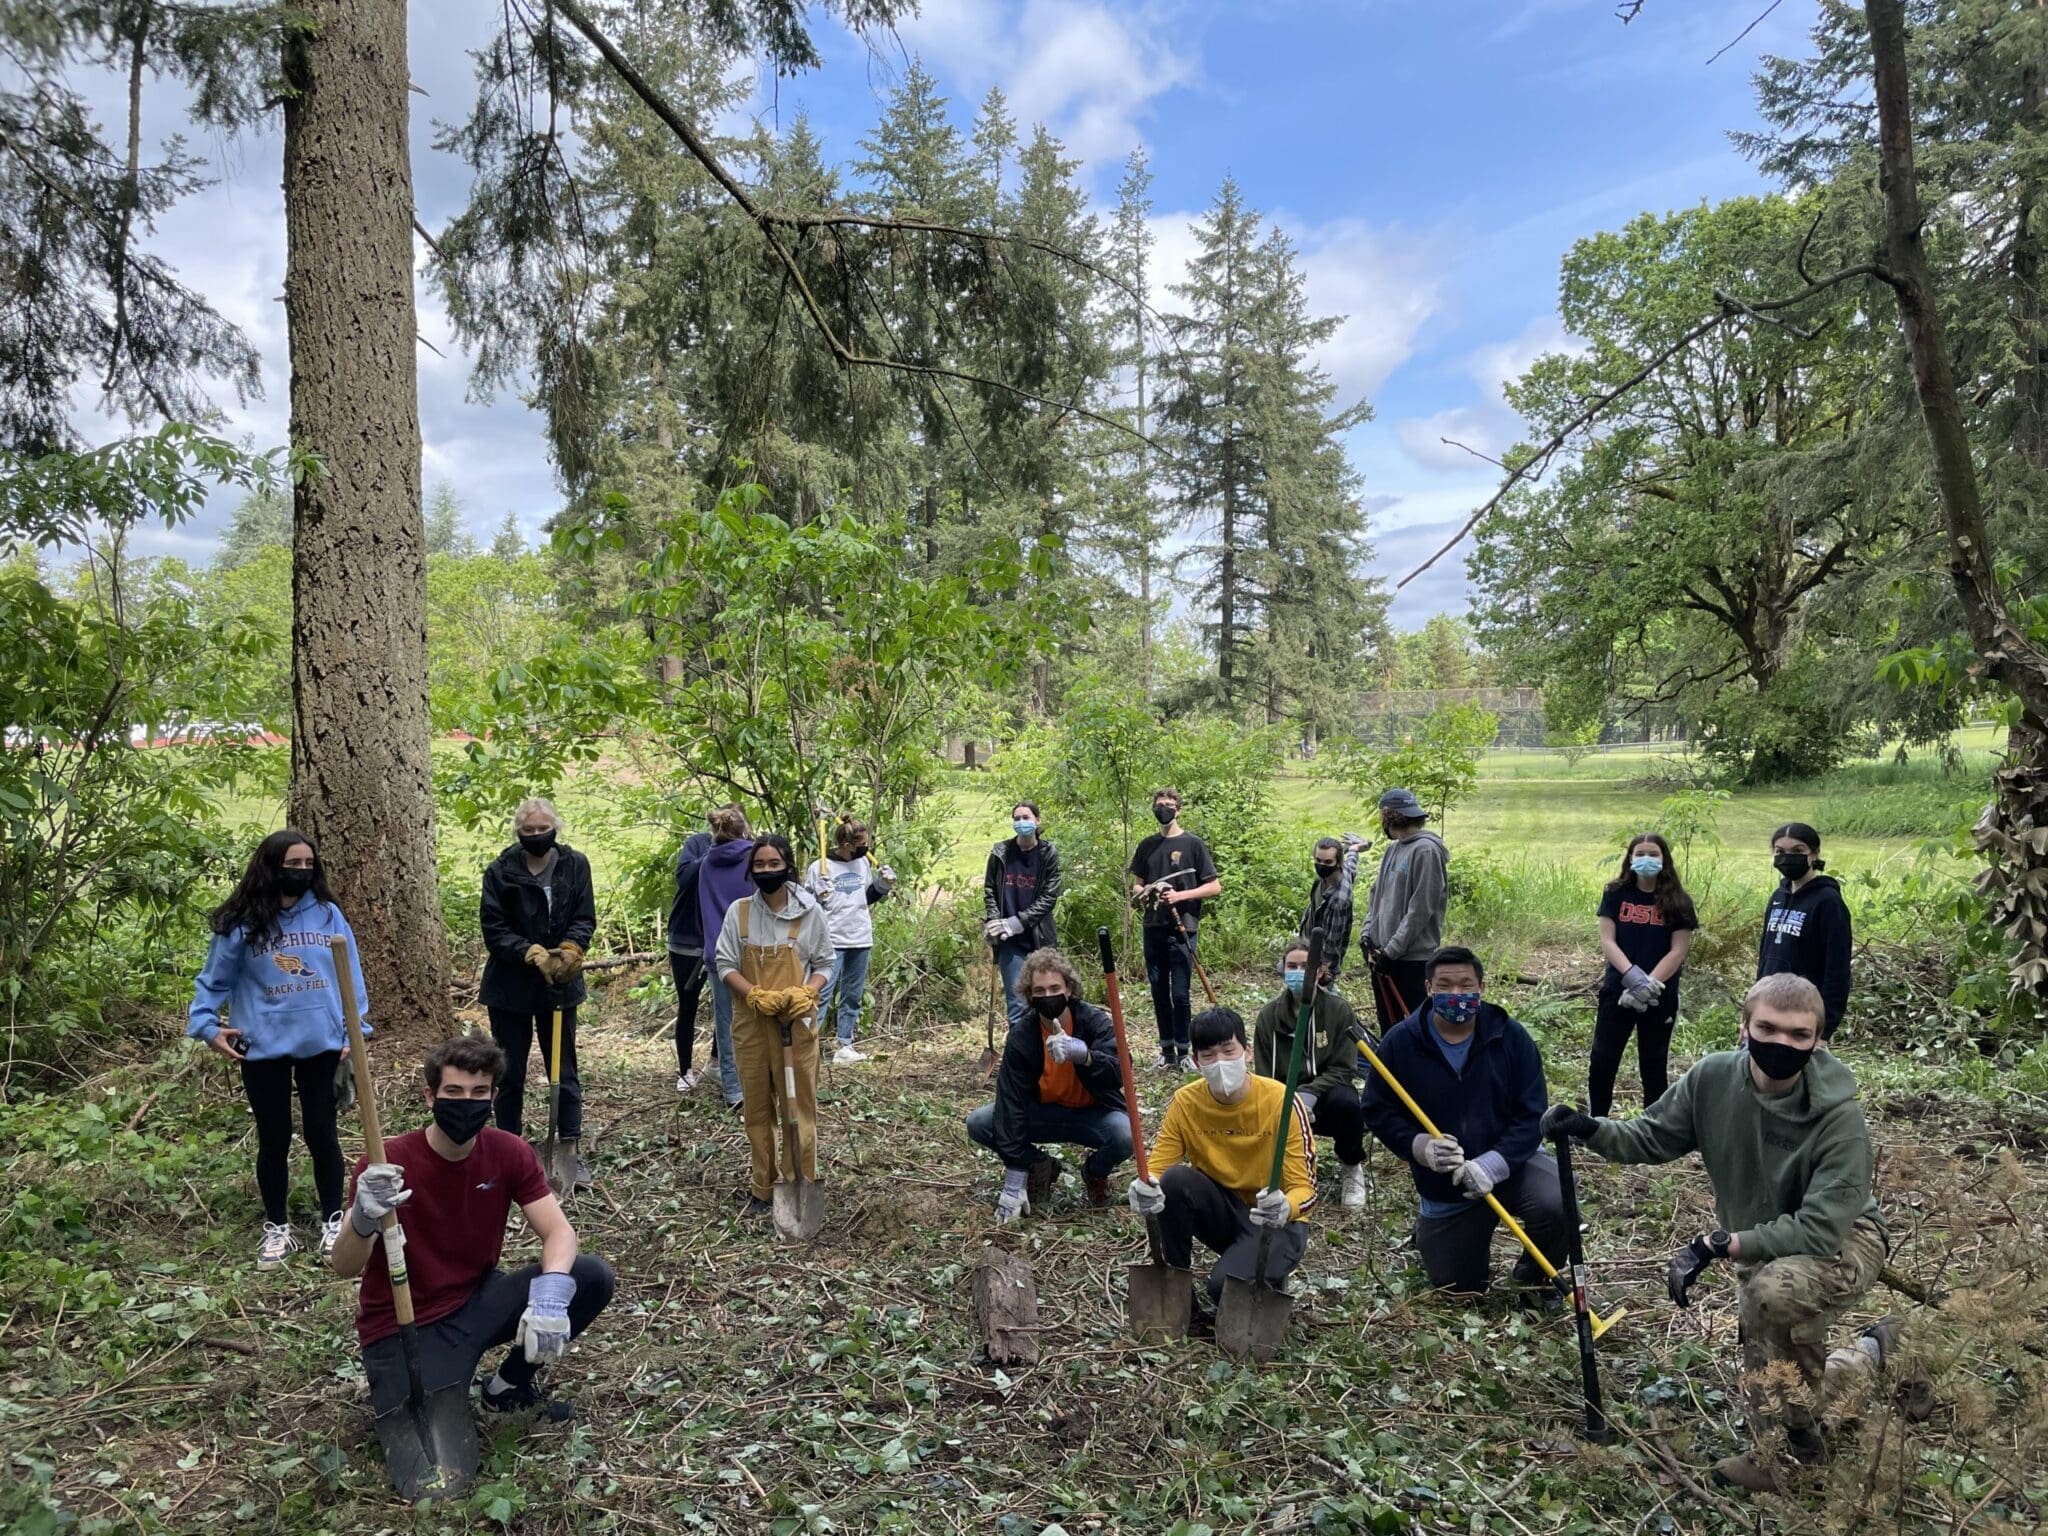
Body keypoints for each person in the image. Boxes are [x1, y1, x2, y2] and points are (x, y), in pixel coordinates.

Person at [1545, 974, 1894, 1493]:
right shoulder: (1712, 1078)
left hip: (1843, 1239)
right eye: (1768, 1028)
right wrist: (1590, 1128)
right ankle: (1874, 1354)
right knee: (1786, 1339)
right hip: (1763, 1237)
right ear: (1744, 1028)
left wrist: (1718, 1244)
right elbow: (1653, 1135)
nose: (1781, 1044)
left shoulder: (1840, 1118)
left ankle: (1775, 1456)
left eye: (1799, 1035)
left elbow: (1820, 1228)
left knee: (1772, 1299)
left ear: (1818, 1041)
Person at [330, 1034, 615, 1426]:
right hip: (404, 1323)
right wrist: (363, 1216)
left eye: (478, 1091)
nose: (466, 1102)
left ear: (493, 1096)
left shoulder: (508, 1152)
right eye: (453, 1091)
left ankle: (507, 1386)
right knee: (423, 1424)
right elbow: (343, 1265)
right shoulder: (386, 1166)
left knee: (589, 1276)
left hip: (476, 1302)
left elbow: (559, 1232)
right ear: (430, 1097)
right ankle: (429, 1389)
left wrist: (550, 1297)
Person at [188, 828, 371, 1268]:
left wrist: (354, 1028)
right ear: (272, 867)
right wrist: (206, 1026)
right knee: (274, 1137)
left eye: (309, 864)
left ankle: (332, 1221)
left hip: (321, 1043)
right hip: (263, 1045)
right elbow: (214, 980)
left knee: (322, 1133)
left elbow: (352, 973)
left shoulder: (327, 915)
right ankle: (277, 1227)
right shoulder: (242, 923)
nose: (302, 872)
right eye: (293, 865)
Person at [1362, 945, 1565, 1296]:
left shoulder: (1511, 1037)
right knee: (1458, 1289)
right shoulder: (1401, 1043)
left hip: (1513, 1165)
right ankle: (1440, 1236)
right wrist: (1419, 1146)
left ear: (1481, 988)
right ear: (1428, 989)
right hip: (1446, 1183)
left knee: (1558, 1201)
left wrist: (1494, 1164)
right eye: (1445, 985)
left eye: (1465, 985)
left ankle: (1532, 1279)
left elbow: (1533, 1113)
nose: (1456, 994)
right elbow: (1378, 1110)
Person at [1128, 1006, 1315, 1333]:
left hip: (1277, 1222)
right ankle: (1179, 1295)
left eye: (1228, 1051)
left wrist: (1286, 1206)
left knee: (1223, 1289)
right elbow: (1157, 1170)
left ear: (1246, 1052)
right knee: (1173, 1182)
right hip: (1226, 1213)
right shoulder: (1186, 1103)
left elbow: (1306, 1188)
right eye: (1208, 1055)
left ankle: (1264, 1269)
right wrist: (1145, 1187)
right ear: (1197, 1063)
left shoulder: (1281, 1103)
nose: (1220, 1063)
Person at [964, 947, 1133, 1221]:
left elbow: (1121, 1071)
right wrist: (1016, 1170)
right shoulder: (1023, 1036)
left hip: (1093, 1115)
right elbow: (1011, 1102)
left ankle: (1095, 1173)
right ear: (1029, 996)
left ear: (1069, 989)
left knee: (1124, 1134)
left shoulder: (1094, 1021)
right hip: (1042, 1114)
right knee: (980, 1121)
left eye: (1055, 987)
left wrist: (1085, 1055)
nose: (1048, 996)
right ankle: (1039, 1165)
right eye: (1039, 991)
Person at [714, 833, 834, 1218]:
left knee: (798, 1109)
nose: (767, 871)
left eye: (774, 864)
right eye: (760, 865)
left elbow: (825, 964)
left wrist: (807, 993)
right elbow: (725, 964)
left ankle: (800, 1178)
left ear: (788, 867)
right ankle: (762, 1188)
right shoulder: (740, 913)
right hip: (751, 1025)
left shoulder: (808, 912)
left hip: (796, 1025)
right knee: (757, 1111)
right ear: (751, 870)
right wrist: (752, 994)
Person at [479, 798, 597, 1186]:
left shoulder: (574, 864)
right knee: (508, 1072)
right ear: (518, 832)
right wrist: (529, 953)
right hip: (510, 987)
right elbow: (494, 929)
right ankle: (510, 1148)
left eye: (542, 829)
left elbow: (584, 916)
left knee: (562, 1070)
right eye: (528, 831)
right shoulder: (500, 871)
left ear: (555, 828)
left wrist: (570, 951)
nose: (536, 836)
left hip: (559, 987)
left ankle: (569, 1151)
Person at [1253, 938, 1369, 1210]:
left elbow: (1345, 1067)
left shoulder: (1338, 1010)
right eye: (1292, 966)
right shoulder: (1269, 1016)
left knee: (1348, 1105)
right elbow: (1263, 1073)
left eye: (1306, 966)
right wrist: (1289, 1099)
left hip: (1325, 1098)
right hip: (1283, 1098)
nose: (1298, 972)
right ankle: (1280, 1170)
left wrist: (1311, 1094)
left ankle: (1351, 1166)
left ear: (1319, 971)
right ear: (1283, 969)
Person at [1590, 831, 1698, 1117]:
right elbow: (1608, 940)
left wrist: (1649, 984)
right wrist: (1632, 977)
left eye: (1653, 854)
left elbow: (1678, 950)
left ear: (1665, 860)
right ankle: (1597, 1120)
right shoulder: (1615, 894)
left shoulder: (1679, 902)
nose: (1646, 859)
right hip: (1618, 991)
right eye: (1640, 854)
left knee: (1653, 1061)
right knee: (1603, 1058)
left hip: (1658, 995)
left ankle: (1653, 1126)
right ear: (1630, 858)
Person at [1128, 787, 1222, 1072]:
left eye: (1169, 805)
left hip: (1183, 928)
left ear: (1178, 810)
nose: (1164, 809)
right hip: (1152, 926)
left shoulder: (1193, 845)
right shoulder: (1147, 846)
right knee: (1158, 990)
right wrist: (1143, 893)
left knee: (1180, 993)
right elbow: (1137, 884)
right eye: (1159, 805)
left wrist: (1179, 896)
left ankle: (1185, 1050)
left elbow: (1214, 886)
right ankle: (1166, 1050)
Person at [1359, 787, 1448, 1038]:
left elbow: (1421, 908)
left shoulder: (1426, 851)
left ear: (1389, 817)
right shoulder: (1394, 849)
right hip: (1383, 956)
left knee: (1414, 1031)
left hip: (1411, 960)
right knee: (1390, 1028)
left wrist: (1392, 950)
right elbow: (1376, 898)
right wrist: (1367, 937)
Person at [809, 816, 896, 1065]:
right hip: (831, 939)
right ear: (846, 843)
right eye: (861, 843)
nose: (865, 848)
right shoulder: (821, 866)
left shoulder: (861, 864)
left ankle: (844, 1044)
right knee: (821, 993)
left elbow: (865, 897)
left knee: (852, 995)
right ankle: (808, 1043)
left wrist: (883, 885)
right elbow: (806, 905)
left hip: (860, 936)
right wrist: (818, 894)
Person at [1758, 821, 1853, 1040]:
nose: (1787, 857)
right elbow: (1765, 955)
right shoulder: (1777, 898)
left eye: (1797, 851)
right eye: (1780, 851)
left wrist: (1825, 1028)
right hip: (1767, 1006)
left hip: (1803, 1013)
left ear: (1814, 854)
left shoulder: (1828, 902)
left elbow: (1837, 970)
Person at [982, 802, 1063, 1032]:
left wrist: (1018, 922)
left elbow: (1049, 897)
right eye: (1016, 818)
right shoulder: (1001, 853)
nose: (1020, 823)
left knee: (1045, 1002)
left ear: (1037, 820)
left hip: (1040, 939)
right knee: (1017, 1005)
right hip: (1010, 943)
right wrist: (994, 921)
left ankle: (1048, 1057)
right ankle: (1018, 1061)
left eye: (1025, 817)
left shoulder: (1047, 854)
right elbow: (990, 890)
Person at [696, 805, 756, 1110]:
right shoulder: (755, 858)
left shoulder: (706, 863)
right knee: (758, 1017)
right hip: (754, 952)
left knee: (726, 1022)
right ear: (745, 829)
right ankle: (759, 1082)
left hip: (718, 955)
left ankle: (733, 1090)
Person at [666, 814, 714, 1094]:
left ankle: (718, 1063)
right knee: (688, 1004)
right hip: (687, 938)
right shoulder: (697, 844)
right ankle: (685, 1069)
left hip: (723, 941)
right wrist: (715, 853)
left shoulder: (747, 851)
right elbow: (684, 877)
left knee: (728, 1007)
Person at [1301, 835, 1366, 987]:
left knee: (1319, 1002)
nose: (1322, 865)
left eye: (1328, 862)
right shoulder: (1336, 874)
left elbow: (1332, 943)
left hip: (1319, 964)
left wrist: (1324, 971)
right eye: (1318, 860)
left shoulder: (1339, 900)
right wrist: (1355, 849)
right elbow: (1351, 866)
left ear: (1338, 863)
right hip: (1307, 948)